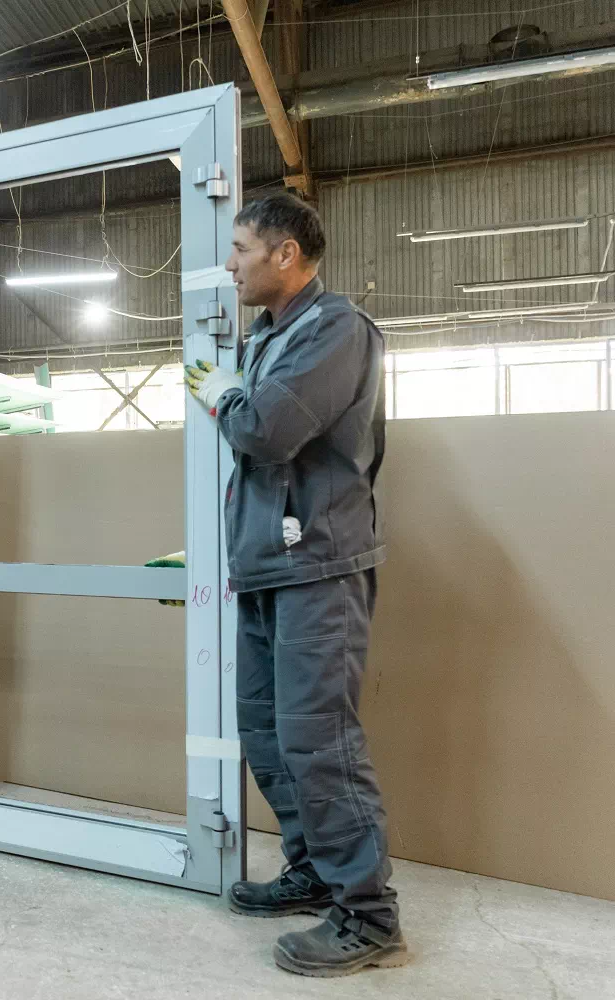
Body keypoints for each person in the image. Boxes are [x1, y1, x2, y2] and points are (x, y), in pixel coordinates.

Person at [182, 193, 401, 977]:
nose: (230, 265)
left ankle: (368, 915)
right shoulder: (268, 337)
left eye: (241, 249)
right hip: (267, 567)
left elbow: (267, 432)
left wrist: (222, 395)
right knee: (268, 733)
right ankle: (312, 870)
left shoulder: (336, 329)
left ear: (285, 254)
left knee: (318, 738)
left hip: (318, 566)